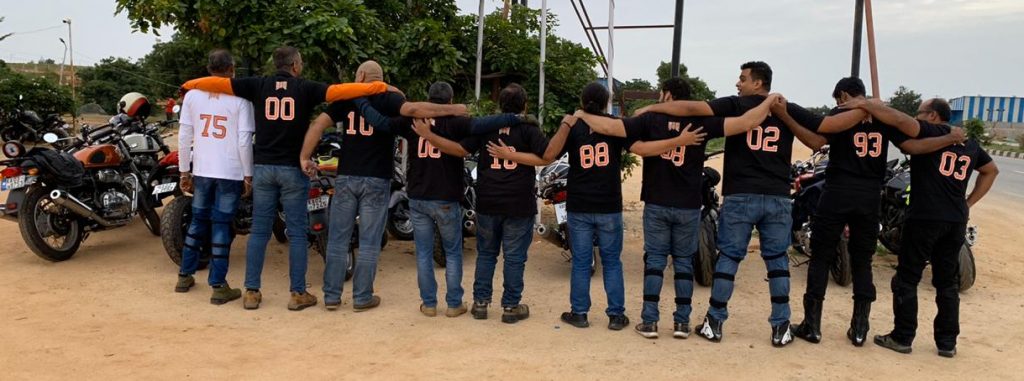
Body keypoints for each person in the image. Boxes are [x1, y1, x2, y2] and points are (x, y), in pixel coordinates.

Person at [636, 61, 868, 346]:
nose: (738, 83)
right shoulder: (786, 107)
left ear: (758, 83)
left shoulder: (736, 105)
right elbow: (822, 135)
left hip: (740, 194)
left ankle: (714, 322)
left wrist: (652, 108)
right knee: (778, 262)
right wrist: (866, 108)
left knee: (730, 258)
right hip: (778, 196)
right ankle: (781, 327)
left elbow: (690, 108)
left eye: (743, 78)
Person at [181, 46, 388, 311]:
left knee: (259, 231)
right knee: (298, 235)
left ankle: (252, 292)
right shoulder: (305, 88)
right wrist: (376, 88)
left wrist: (191, 84)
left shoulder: (256, 84)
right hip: (292, 169)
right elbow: (339, 91)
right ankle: (297, 293)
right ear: (295, 65)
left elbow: (218, 84)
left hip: (264, 168)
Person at [573, 78, 779, 339]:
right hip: (688, 204)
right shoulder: (702, 123)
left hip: (657, 201)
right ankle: (682, 323)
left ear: (667, 95)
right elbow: (746, 122)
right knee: (683, 263)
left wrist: (582, 114)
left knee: (655, 261)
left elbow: (611, 128)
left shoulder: (650, 121)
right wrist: (769, 101)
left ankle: (650, 322)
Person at [778, 77, 965, 346]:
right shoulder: (884, 118)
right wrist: (948, 138)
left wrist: (787, 113)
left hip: (837, 192)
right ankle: (859, 329)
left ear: (843, 96)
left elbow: (817, 139)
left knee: (821, 257)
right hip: (869, 196)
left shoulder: (841, 114)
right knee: (863, 261)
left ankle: (812, 325)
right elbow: (912, 145)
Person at [348, 81, 531, 318]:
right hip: (446, 196)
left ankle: (429, 304)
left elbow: (381, 122)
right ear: (451, 100)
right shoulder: (456, 121)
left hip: (418, 195)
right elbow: (481, 124)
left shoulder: (412, 121)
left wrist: (360, 100)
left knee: (423, 253)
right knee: (453, 252)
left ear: (428, 99)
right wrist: (515, 118)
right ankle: (454, 304)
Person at [298, 61, 468, 312]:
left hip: (346, 177)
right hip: (377, 178)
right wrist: (454, 108)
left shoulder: (347, 98)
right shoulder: (389, 100)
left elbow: (317, 125)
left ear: (362, 76)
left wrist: (304, 157)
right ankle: (362, 297)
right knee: (369, 240)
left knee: (337, 238)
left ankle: (332, 297)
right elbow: (412, 107)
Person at [868, 98, 999, 358]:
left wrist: (875, 107)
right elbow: (991, 170)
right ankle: (947, 343)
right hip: (955, 220)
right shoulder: (969, 143)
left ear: (934, 116)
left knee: (906, 278)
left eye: (920, 113)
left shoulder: (932, 133)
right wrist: (968, 203)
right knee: (946, 283)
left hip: (925, 217)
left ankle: (902, 337)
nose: (917, 117)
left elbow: (904, 129)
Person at [414, 83, 549, 324]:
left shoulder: (487, 127)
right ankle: (510, 306)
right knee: (514, 257)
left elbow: (460, 149)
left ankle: (480, 303)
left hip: (488, 201)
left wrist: (429, 136)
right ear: (525, 105)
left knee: (486, 254)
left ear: (500, 105)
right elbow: (546, 156)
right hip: (519, 203)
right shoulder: (529, 129)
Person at [174, 49, 254, 305]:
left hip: (202, 170)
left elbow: (184, 136)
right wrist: (248, 174)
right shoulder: (241, 99)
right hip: (229, 172)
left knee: (197, 221)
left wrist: (184, 170)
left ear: (209, 69)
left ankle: (184, 276)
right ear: (232, 69)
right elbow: (244, 141)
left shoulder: (192, 97)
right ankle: (218, 286)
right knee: (221, 226)